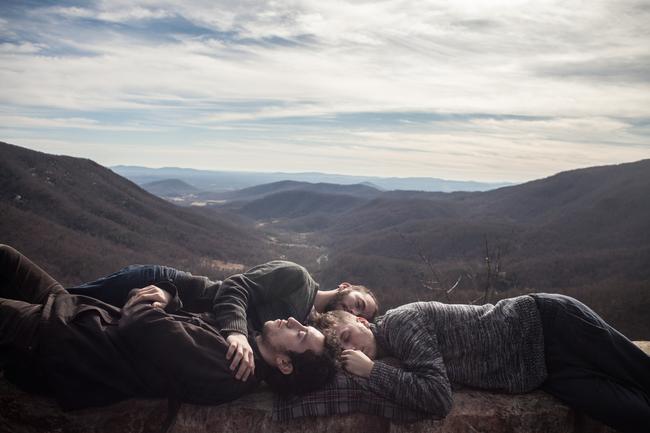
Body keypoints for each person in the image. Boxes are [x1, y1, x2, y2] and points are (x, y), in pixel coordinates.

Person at [0, 244, 338, 410]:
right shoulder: (243, 343)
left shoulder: (231, 365)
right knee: (7, 258)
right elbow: (214, 300)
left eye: (300, 333)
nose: (295, 321)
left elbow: (141, 324)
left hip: (63, 341)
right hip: (78, 316)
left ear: (284, 362)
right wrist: (168, 295)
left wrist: (147, 298)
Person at [314, 295, 650, 433]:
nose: (349, 348)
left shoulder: (400, 324)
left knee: (641, 376)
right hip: (541, 371)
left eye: (345, 336)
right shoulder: (391, 355)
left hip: (549, 324)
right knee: (630, 413)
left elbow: (438, 398)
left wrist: (373, 371)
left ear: (359, 322)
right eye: (340, 351)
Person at [66, 261, 379, 381]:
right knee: (64, 299)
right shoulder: (297, 278)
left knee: (71, 314)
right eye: (359, 302)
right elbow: (233, 285)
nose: (355, 311)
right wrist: (237, 333)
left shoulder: (304, 331)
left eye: (362, 315)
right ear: (345, 286)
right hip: (164, 286)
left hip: (172, 310)